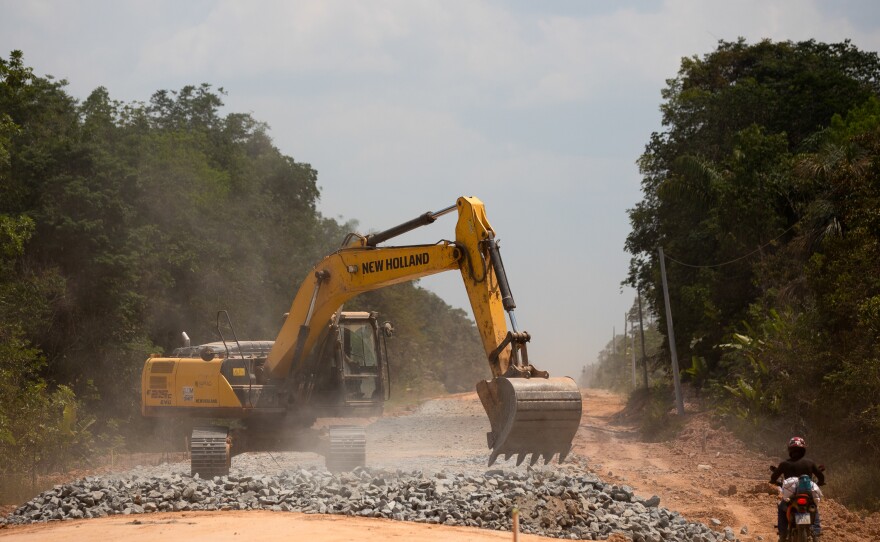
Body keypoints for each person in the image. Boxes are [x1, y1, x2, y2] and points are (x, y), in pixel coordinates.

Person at [770, 436, 825, 541]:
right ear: (803, 449)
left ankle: (782, 534)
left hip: (792, 498)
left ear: (790, 450)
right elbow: (821, 477)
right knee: (814, 507)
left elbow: (773, 477)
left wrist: (774, 482)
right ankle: (816, 531)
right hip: (807, 496)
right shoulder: (810, 463)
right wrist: (820, 482)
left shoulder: (784, 464)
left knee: (782, 508)